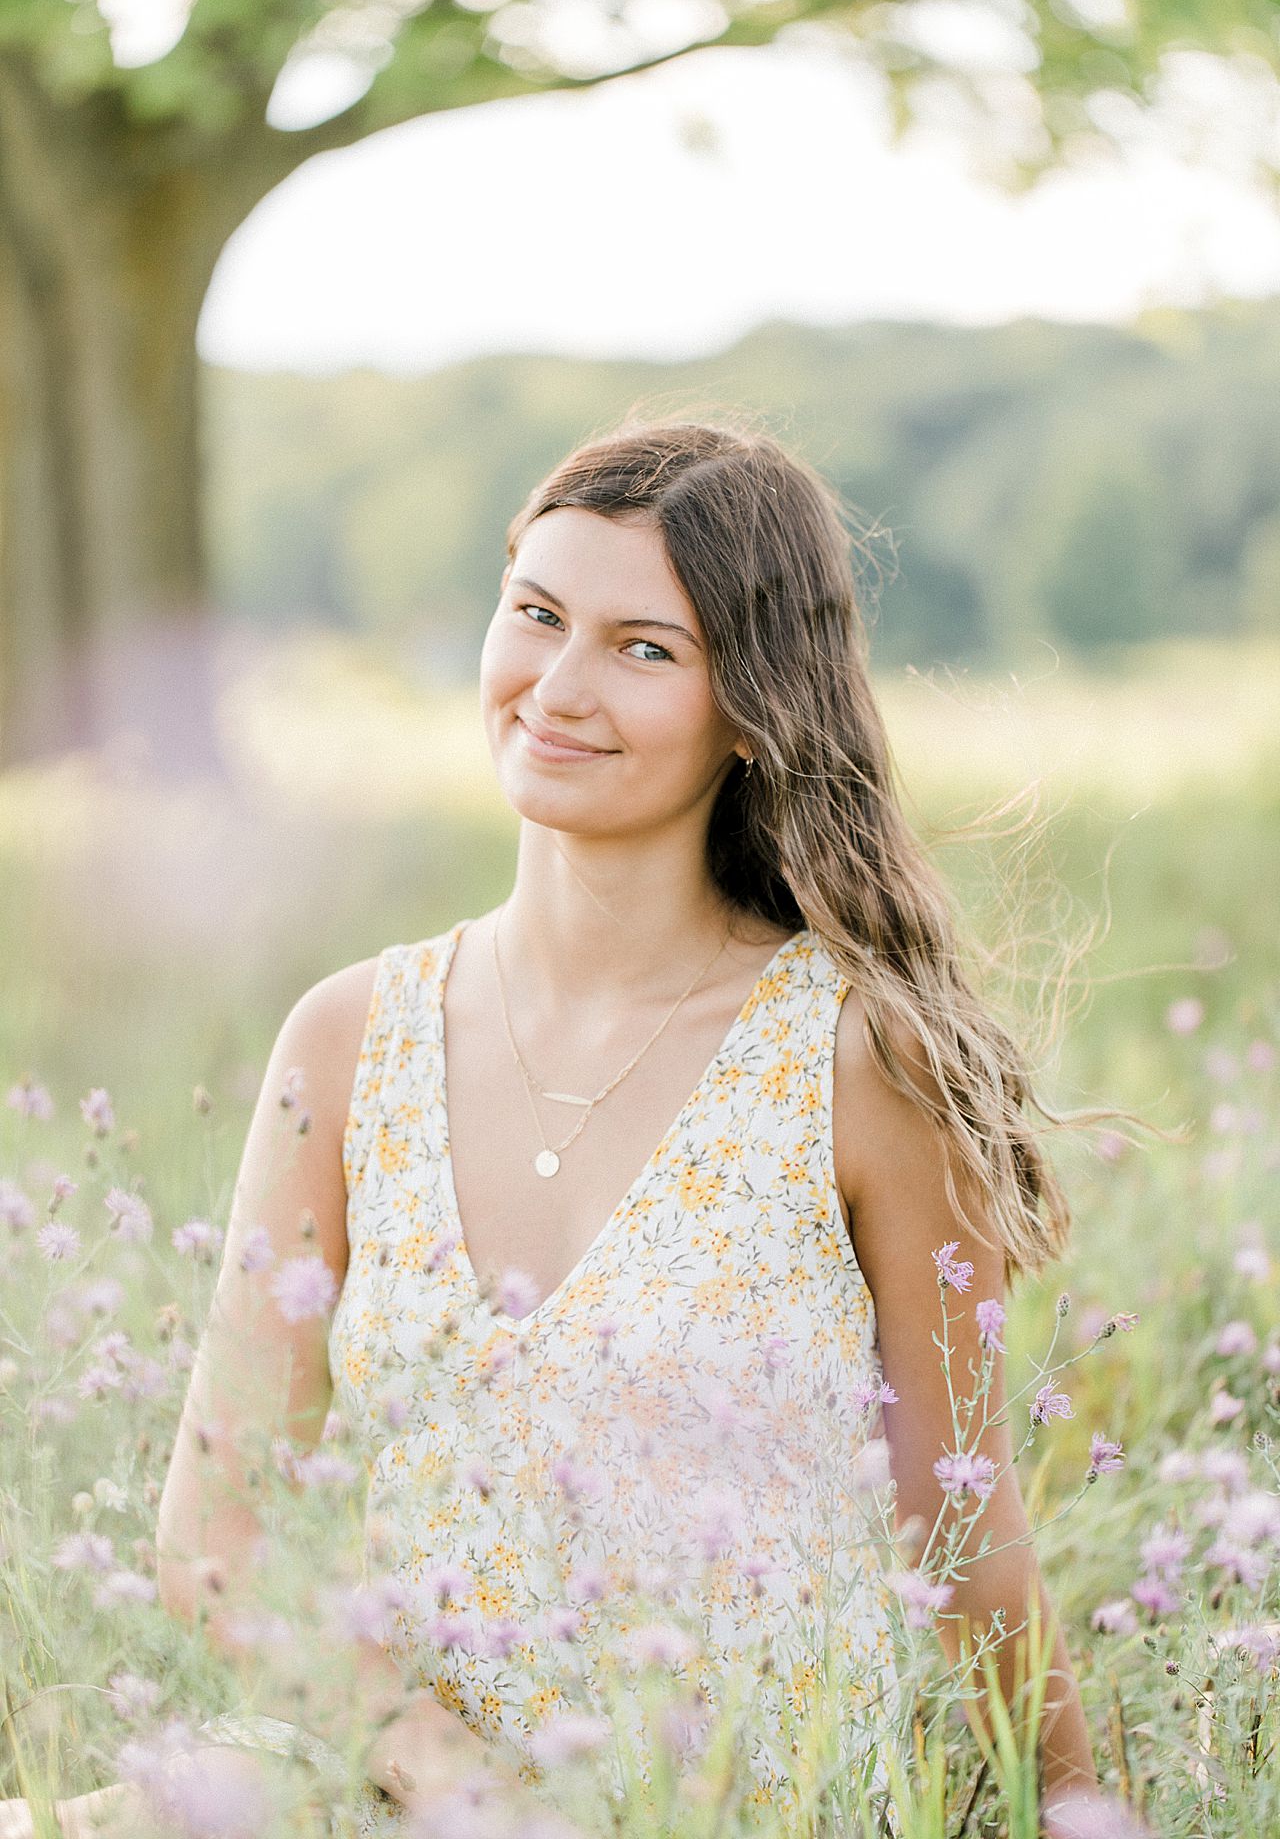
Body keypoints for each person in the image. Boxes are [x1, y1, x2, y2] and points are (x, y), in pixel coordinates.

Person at [14, 416, 1116, 1837]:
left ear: (753, 701)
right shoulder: (350, 1040)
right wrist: (442, 1774)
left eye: (644, 648)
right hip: (390, 1789)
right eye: (536, 615)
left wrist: (1086, 1812)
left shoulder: (859, 1060)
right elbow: (212, 1538)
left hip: (720, 1808)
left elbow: (965, 1531)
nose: (559, 686)